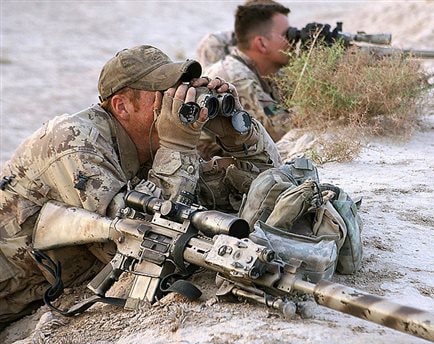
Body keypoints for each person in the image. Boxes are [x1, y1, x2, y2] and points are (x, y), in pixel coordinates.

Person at [0, 45, 278, 327]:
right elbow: (145, 241)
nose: (177, 101)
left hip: (39, 294)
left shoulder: (157, 142)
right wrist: (177, 146)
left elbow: (264, 186)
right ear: (122, 106)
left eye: (180, 89)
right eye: (163, 94)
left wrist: (239, 135)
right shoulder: (73, 141)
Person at [198, 0, 293, 142]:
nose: (291, 42)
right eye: (287, 35)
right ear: (261, 43)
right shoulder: (236, 76)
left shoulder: (266, 72)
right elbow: (276, 133)